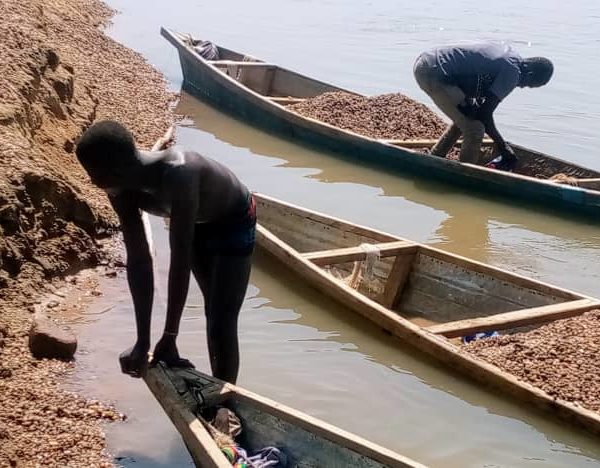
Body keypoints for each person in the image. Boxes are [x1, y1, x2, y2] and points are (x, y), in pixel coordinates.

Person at [75, 120, 256, 383]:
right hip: (199, 222)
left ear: (114, 172)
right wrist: (143, 341)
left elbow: (179, 260)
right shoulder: (120, 191)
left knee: (221, 316)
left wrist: (170, 336)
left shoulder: (180, 173)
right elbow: (138, 260)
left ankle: (226, 400)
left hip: (234, 220)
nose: (92, 182)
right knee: (213, 309)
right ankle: (214, 384)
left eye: (93, 175)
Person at [413, 41, 553, 171]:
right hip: (434, 72)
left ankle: (435, 157)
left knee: (468, 116)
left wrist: (500, 143)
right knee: (475, 129)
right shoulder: (512, 73)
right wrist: (503, 146)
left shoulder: (512, 59)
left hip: (431, 62)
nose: (523, 87)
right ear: (530, 73)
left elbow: (479, 111)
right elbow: (485, 114)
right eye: (528, 84)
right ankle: (464, 176)